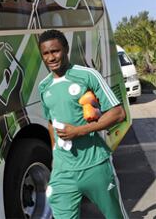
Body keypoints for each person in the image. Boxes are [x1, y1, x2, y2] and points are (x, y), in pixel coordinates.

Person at [37, 29, 128, 219]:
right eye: (45, 53)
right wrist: (55, 156)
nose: (51, 57)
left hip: (95, 165)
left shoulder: (87, 76)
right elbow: (51, 123)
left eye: (55, 51)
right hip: (63, 171)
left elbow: (118, 113)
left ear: (66, 49)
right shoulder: (43, 87)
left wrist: (79, 131)